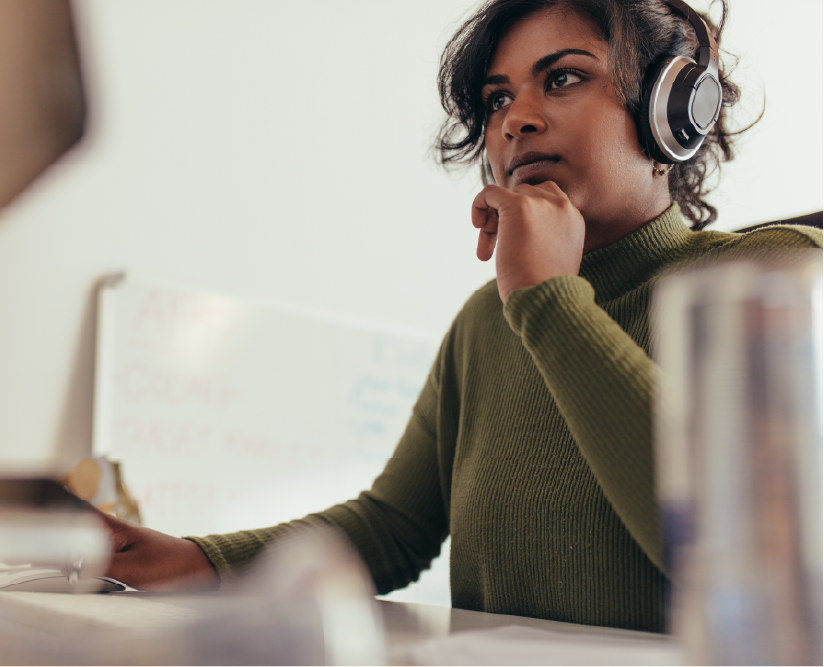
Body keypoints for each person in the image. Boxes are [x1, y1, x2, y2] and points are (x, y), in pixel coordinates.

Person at [97, 0, 822, 632]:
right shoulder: (488, 320)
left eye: (563, 77)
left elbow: (744, 556)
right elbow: (393, 528)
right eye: (497, 98)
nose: (516, 122)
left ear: (673, 112)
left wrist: (548, 300)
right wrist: (196, 560)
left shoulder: (778, 275)